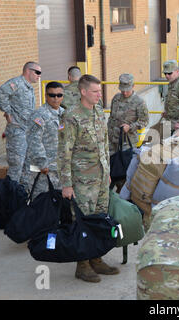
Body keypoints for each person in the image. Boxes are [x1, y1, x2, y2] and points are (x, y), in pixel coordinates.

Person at [58, 74, 118, 283]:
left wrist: (107, 171)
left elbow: (104, 143)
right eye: (95, 91)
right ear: (83, 92)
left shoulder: (99, 111)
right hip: (81, 180)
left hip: (101, 177)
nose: (99, 95)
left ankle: (96, 258)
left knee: (99, 218)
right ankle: (82, 265)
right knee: (82, 220)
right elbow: (64, 152)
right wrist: (66, 184)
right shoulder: (71, 116)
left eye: (99, 91)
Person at [0, 61, 41, 182]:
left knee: (27, 166)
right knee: (16, 166)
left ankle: (23, 196)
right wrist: (7, 111)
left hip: (26, 131)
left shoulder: (28, 87)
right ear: (28, 71)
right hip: (16, 131)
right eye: (37, 72)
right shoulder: (17, 83)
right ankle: (12, 197)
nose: (39, 75)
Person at [20, 81, 65, 200]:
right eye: (52, 95)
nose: (56, 98)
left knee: (57, 201)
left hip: (58, 167)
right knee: (41, 201)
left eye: (59, 95)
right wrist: (42, 163)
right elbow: (34, 141)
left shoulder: (64, 114)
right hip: (42, 169)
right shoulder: (39, 115)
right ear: (46, 96)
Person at [107, 73, 149, 153]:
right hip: (112, 141)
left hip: (127, 142)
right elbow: (111, 117)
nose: (125, 93)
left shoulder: (139, 102)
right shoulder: (116, 98)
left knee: (126, 164)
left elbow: (144, 121)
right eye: (122, 90)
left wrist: (130, 127)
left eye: (127, 90)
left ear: (133, 86)